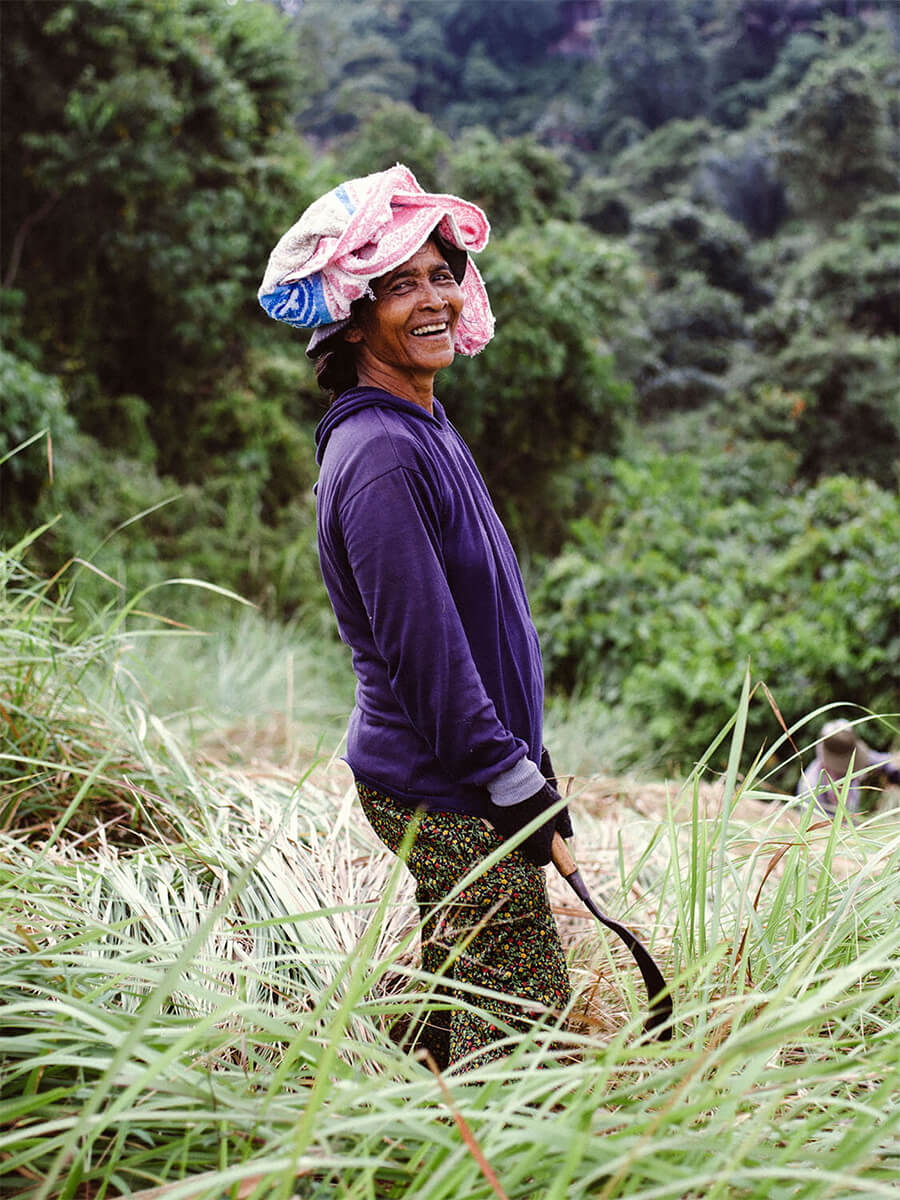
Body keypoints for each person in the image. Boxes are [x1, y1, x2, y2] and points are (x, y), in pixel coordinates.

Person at [259, 165, 573, 1071]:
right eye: (401, 283)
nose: (433, 297)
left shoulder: (423, 425)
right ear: (354, 316)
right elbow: (426, 655)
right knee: (523, 1033)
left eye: (443, 274)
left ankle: (405, 1121)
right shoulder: (380, 456)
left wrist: (531, 764)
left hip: (472, 770)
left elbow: (485, 621)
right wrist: (506, 780)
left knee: (465, 993)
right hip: (439, 781)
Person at [797, 719, 900, 819]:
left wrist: (894, 771)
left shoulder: (854, 753)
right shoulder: (810, 789)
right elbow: (816, 829)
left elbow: (884, 761)